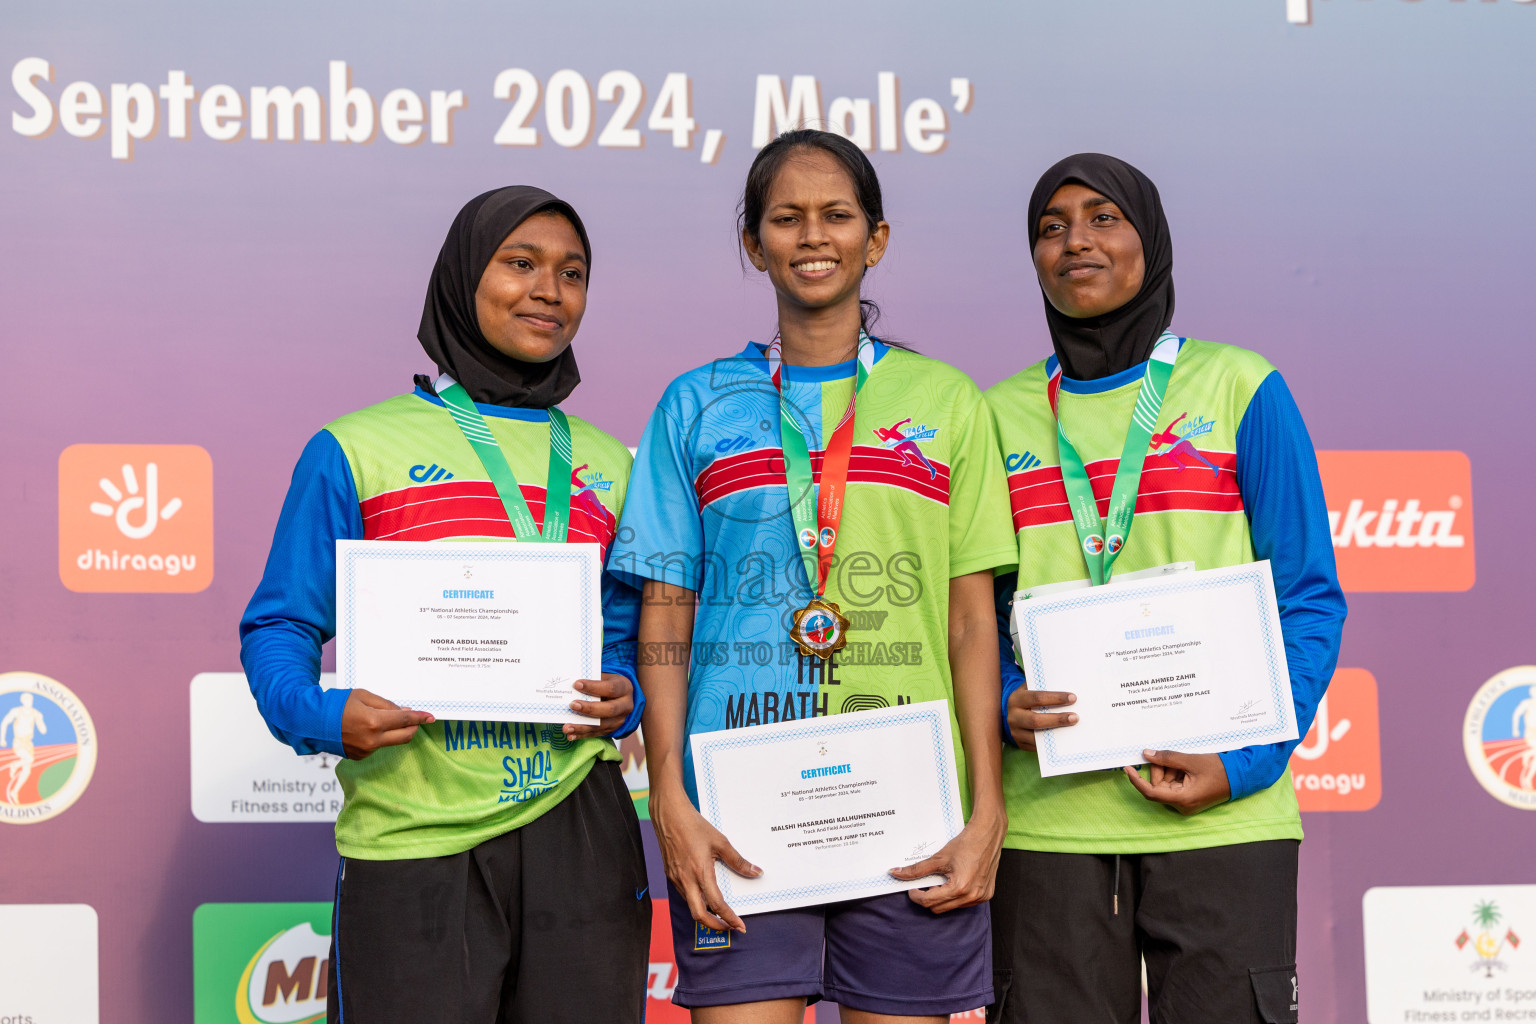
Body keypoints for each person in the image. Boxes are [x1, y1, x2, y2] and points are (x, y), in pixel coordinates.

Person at [609, 129, 1017, 1022]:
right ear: (755, 245)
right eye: (785, 219)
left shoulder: (947, 402)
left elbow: (971, 624)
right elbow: (666, 614)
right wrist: (668, 797)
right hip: (736, 812)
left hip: (912, 809)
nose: (813, 236)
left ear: (876, 239)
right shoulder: (697, 401)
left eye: (837, 215)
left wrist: (988, 809)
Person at [239, 186, 650, 1024]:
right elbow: (280, 623)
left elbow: (628, 638)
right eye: (521, 264)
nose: (549, 291)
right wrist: (322, 714)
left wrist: (625, 691)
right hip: (414, 829)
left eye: (573, 274)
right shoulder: (355, 447)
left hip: (579, 824)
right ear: (463, 277)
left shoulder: (613, 460)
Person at [984, 153, 1347, 1024]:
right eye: (1051, 225)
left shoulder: (1241, 387)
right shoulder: (994, 416)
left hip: (1226, 817)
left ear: (1151, 240)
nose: (1076, 240)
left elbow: (1308, 596)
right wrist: (1003, 701)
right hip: (1050, 827)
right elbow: (976, 618)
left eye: (1104, 217)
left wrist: (1246, 763)